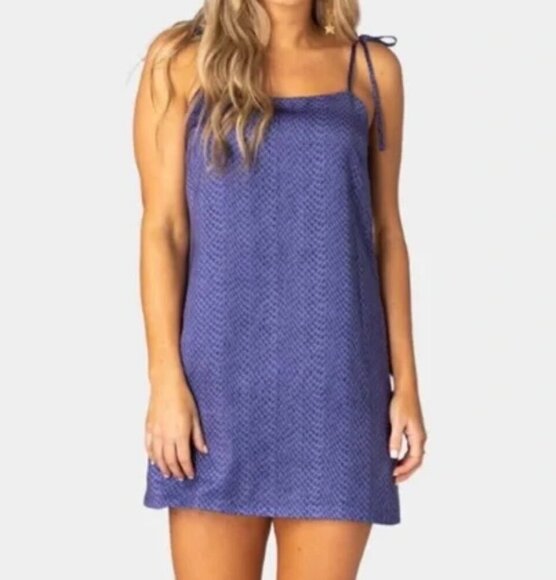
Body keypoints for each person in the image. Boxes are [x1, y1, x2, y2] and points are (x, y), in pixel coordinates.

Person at [132, 1, 427, 578]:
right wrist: (165, 379)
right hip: (214, 391)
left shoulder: (372, 70)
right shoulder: (180, 61)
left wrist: (407, 385)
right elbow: (163, 229)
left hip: (338, 385)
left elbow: (386, 232)